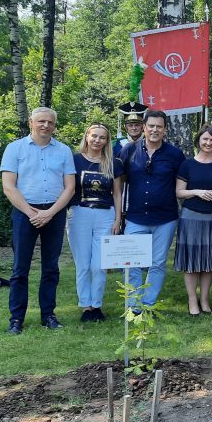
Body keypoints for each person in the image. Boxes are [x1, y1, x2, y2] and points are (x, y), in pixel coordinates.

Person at [1, 107, 76, 334]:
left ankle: (48, 315)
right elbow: (8, 186)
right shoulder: (14, 149)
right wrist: (32, 213)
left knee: (51, 268)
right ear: (30, 122)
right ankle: (16, 319)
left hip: (54, 212)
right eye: (41, 121)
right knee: (20, 268)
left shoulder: (63, 151)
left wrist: (50, 212)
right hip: (25, 213)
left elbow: (70, 187)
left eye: (50, 122)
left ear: (55, 125)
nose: (46, 125)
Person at [118, 110, 185, 310]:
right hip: (135, 217)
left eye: (159, 126)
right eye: (151, 126)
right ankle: (133, 305)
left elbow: (182, 184)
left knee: (157, 263)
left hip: (165, 218)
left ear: (165, 129)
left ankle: (147, 304)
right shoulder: (129, 150)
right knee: (131, 263)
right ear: (144, 127)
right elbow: (119, 184)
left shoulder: (175, 154)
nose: (155, 130)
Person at [174, 126, 212, 316]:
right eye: (205, 139)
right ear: (198, 140)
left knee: (209, 260)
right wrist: (197, 192)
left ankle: (205, 299)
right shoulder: (187, 164)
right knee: (191, 260)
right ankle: (192, 299)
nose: (208, 143)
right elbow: (179, 192)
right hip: (191, 215)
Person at [68, 123, 123, 323]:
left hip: (105, 215)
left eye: (102, 137)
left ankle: (97, 305)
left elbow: (117, 194)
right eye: (94, 136)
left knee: (99, 265)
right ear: (87, 136)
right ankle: (86, 306)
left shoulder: (113, 162)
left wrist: (118, 218)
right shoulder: (74, 160)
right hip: (79, 214)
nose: (97, 140)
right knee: (83, 264)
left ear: (107, 141)